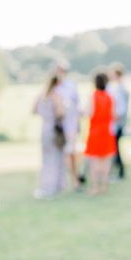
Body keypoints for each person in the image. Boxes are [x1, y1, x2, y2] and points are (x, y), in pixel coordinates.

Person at [33, 75, 66, 199]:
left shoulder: (41, 95)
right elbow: (60, 113)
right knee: (55, 157)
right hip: (54, 129)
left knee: (46, 158)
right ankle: (53, 186)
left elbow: (34, 110)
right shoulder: (56, 96)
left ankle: (47, 185)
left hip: (44, 128)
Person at [85, 72, 117, 195]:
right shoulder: (109, 97)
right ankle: (104, 186)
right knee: (106, 161)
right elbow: (114, 115)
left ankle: (94, 187)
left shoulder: (93, 96)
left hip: (95, 131)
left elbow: (89, 113)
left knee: (94, 161)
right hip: (106, 131)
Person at [55, 61, 81, 190]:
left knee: (72, 152)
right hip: (58, 127)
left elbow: (76, 106)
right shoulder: (54, 87)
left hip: (70, 125)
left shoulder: (71, 86)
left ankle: (75, 179)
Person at [107, 63, 129, 179]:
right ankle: (118, 170)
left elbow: (121, 109)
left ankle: (119, 171)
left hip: (118, 123)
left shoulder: (120, 89)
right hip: (117, 123)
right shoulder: (117, 88)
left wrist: (115, 117)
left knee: (115, 149)